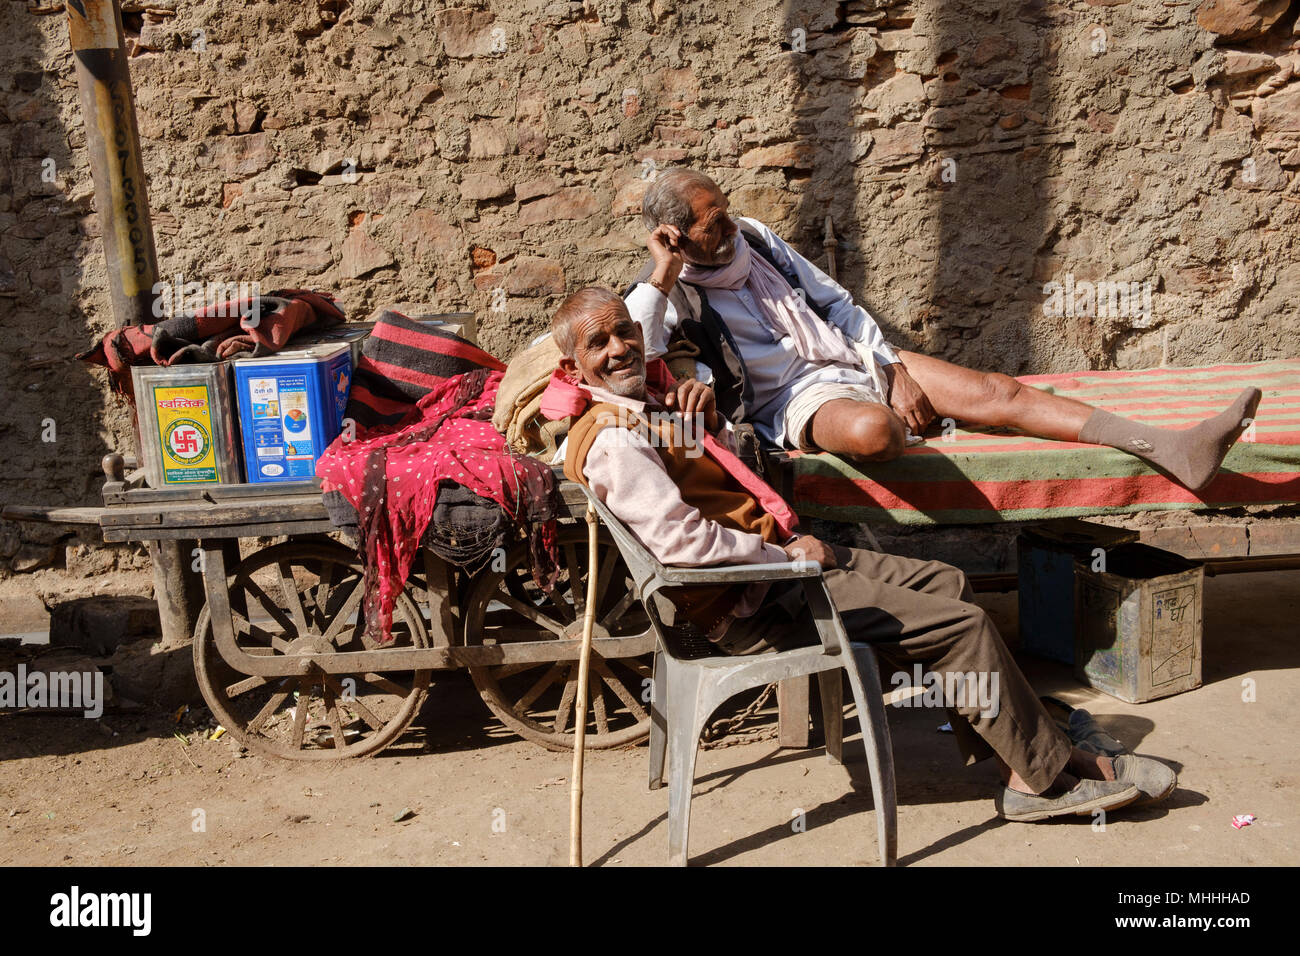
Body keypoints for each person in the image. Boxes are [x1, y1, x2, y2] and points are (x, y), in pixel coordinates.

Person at [544, 286, 1177, 822]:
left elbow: (717, 464)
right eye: (598, 345)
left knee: (948, 583)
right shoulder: (612, 441)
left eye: (625, 332)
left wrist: (710, 423)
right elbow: (682, 544)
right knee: (966, 626)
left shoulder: (644, 408)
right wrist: (789, 559)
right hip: (750, 600)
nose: (619, 348)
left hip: (774, 568)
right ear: (574, 370)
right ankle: (1038, 777)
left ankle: (1021, 749)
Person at [626, 167, 1261, 491]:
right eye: (713, 223)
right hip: (794, 400)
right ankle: (898, 414)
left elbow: (837, 302)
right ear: (676, 234)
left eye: (726, 210)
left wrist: (893, 369)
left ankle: (1171, 448)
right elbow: (647, 348)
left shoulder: (756, 239)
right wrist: (662, 270)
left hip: (851, 356)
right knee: (876, 432)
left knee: (997, 392)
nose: (730, 226)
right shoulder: (670, 290)